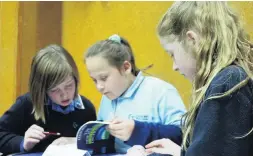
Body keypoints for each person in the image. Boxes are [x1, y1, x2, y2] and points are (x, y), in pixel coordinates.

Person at [130, 1, 253, 156]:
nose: (174, 66)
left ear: (193, 41)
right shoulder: (234, 77)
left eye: (172, 54)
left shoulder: (227, 84)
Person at [83, 34, 186, 154]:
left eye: (104, 78)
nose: (99, 87)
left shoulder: (161, 91)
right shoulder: (107, 98)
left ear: (126, 67)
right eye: (94, 80)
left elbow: (184, 135)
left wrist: (136, 130)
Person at [0, 44, 97, 155]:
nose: (64, 95)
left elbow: (99, 145)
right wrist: (22, 143)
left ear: (75, 79)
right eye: (54, 90)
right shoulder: (26, 104)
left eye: (69, 85)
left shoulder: (86, 108)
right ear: (42, 89)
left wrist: (77, 141)